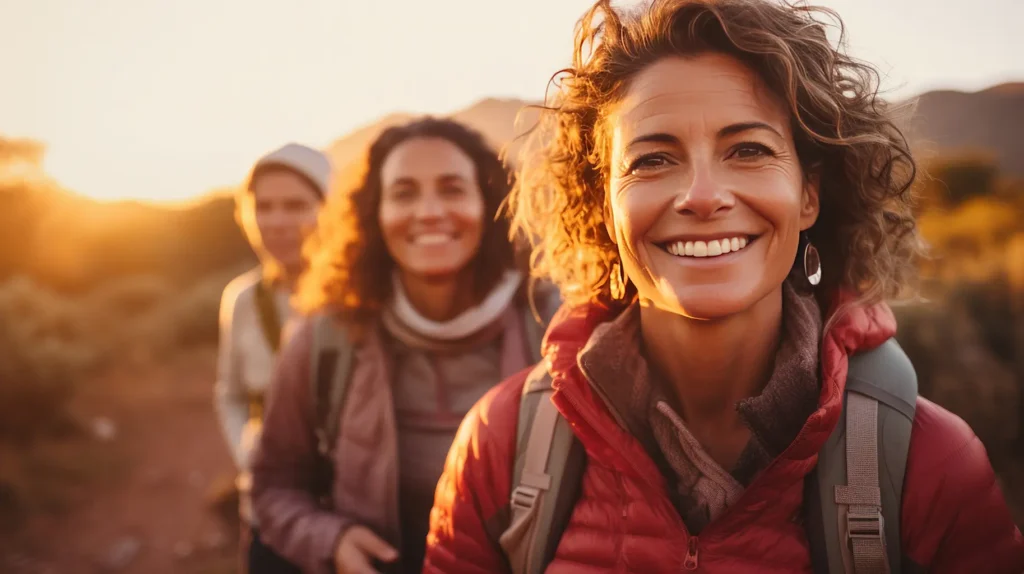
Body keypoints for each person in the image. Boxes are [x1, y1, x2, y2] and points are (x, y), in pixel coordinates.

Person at [423, 1, 1024, 573]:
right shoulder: (502, 445)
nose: (703, 196)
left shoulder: (929, 464)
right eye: (652, 160)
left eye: (748, 150)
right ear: (604, 205)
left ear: (809, 194)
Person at [250, 117, 558, 574]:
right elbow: (273, 486)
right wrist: (331, 540)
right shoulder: (325, 339)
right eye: (404, 193)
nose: (429, 211)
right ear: (374, 213)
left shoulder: (555, 328)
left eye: (452, 189)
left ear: (491, 202)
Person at [215, 143, 333, 574]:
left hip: (348, 516)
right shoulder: (242, 300)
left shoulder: (359, 300)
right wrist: (249, 457)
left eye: (296, 205)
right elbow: (229, 394)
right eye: (263, 207)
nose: (277, 221)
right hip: (268, 510)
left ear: (330, 209)